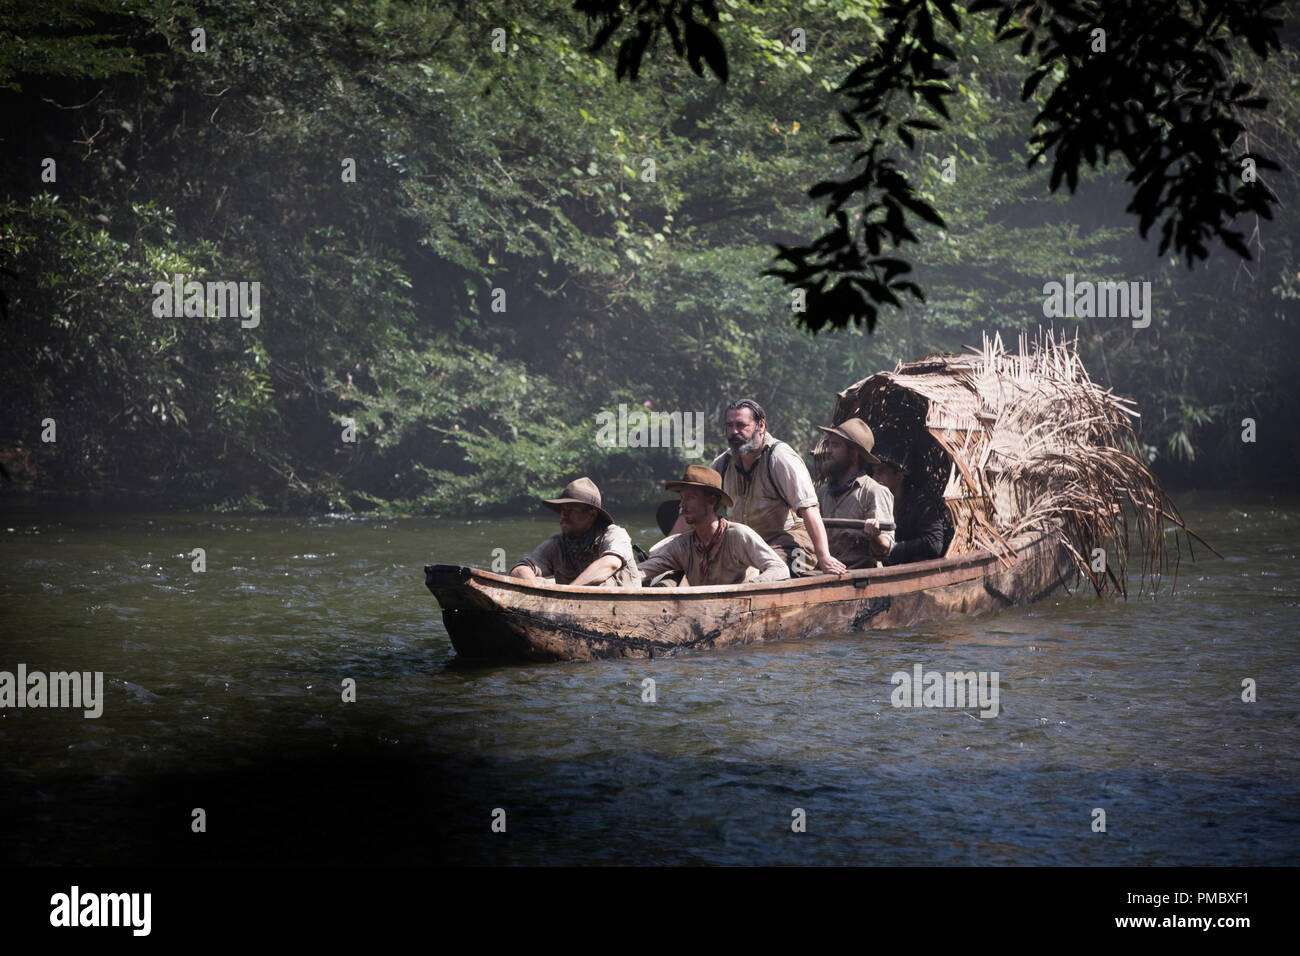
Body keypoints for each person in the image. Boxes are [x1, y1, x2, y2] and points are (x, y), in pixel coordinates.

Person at [690, 399, 846, 576]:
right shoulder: (724, 463)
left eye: (741, 425)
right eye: (729, 426)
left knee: (765, 572)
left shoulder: (779, 458)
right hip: (747, 545)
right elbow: (694, 504)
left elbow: (809, 508)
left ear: (761, 425)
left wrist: (824, 557)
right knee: (702, 567)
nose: (734, 432)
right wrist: (671, 550)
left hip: (793, 544)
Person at [637, 465, 790, 587]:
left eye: (690, 498)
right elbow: (644, 570)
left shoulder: (738, 536)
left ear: (711, 501)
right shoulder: (682, 545)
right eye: (682, 498)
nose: (682, 505)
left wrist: (751, 587)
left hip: (740, 610)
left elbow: (779, 569)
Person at [510, 477, 641, 587]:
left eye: (571, 510)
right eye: (562, 510)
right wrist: (534, 587)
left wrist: (568, 592)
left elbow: (611, 563)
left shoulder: (615, 534)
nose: (564, 515)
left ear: (592, 514)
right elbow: (520, 569)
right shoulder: (557, 544)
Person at [815, 418, 895, 568]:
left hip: (859, 580)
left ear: (853, 453)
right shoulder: (823, 492)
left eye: (835, 445)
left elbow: (884, 549)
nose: (828, 451)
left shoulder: (873, 492)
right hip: (826, 574)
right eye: (828, 444)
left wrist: (875, 537)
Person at [871, 445, 953, 565]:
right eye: (874, 472)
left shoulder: (922, 505)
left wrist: (893, 547)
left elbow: (934, 544)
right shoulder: (877, 504)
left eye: (881, 471)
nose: (874, 478)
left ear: (899, 476)